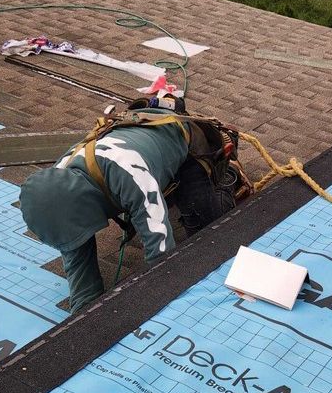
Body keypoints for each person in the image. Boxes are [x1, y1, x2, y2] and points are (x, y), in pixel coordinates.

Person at [20, 99, 240, 313]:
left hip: (181, 138)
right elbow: (79, 271)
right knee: (149, 204)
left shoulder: (128, 172)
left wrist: (154, 309)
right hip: (142, 164)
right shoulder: (61, 180)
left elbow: (162, 257)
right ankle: (167, 193)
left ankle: (229, 174)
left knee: (205, 234)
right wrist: (82, 322)